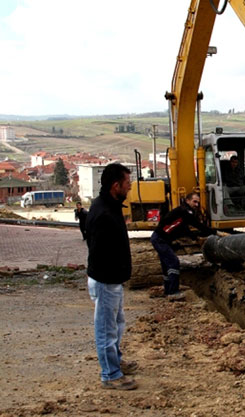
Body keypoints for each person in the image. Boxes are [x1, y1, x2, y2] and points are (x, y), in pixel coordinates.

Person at [85, 162, 138, 391]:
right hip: (106, 281)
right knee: (106, 330)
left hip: (112, 281)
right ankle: (110, 374)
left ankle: (115, 361)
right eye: (127, 183)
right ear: (116, 185)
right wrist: (110, 278)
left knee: (116, 325)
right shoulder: (104, 213)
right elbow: (98, 251)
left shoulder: (110, 206)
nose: (130, 187)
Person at [150, 191, 215, 300]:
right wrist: (214, 232)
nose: (197, 205)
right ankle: (173, 292)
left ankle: (168, 290)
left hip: (161, 239)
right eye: (194, 202)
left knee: (166, 265)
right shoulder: (185, 212)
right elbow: (197, 225)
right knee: (174, 262)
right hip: (160, 239)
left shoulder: (181, 214)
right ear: (187, 200)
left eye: (198, 202)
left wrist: (195, 238)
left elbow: (185, 230)